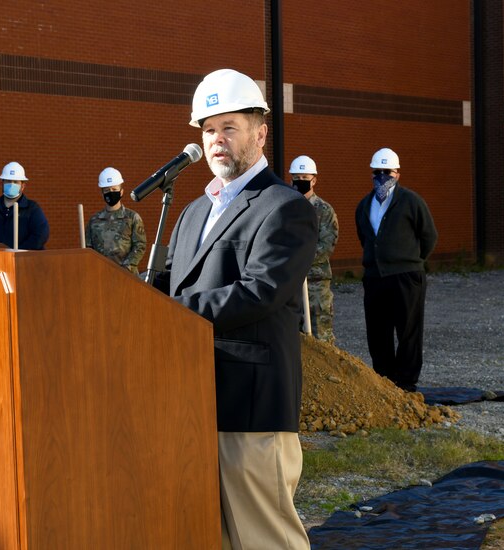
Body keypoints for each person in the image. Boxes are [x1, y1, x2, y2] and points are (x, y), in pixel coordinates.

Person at [154, 69, 318, 550]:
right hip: (192, 405)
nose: (216, 139)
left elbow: (259, 291)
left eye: (229, 126)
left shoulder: (283, 207)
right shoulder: (192, 212)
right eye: (208, 129)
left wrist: (170, 310)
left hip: (250, 410)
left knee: (266, 540)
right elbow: (168, 281)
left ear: (260, 132)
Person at [355, 148, 437, 392]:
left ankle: (406, 381)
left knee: (408, 329)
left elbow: (429, 236)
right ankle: (384, 380)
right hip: (375, 278)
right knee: (377, 331)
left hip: (406, 277)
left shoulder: (411, 201)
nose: (382, 176)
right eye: (378, 172)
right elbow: (365, 238)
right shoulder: (364, 205)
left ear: (397, 174)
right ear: (372, 174)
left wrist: (412, 261)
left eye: (387, 172)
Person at [289, 155, 339, 343]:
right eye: (297, 178)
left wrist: (298, 259)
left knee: (321, 336)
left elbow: (326, 246)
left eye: (304, 178)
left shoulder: (324, 210)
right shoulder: (287, 208)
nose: (300, 182)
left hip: (315, 282)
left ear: (314, 180)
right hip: (291, 282)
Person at [0, 161, 50, 250]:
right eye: (8, 181)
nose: (11, 185)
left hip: (22, 261)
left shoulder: (32, 209)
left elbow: (40, 235)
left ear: (23, 186)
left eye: (15, 182)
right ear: (2, 184)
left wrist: (17, 253)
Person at [85, 167, 147, 274]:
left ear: (121, 192)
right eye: (107, 190)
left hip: (127, 276)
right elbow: (89, 249)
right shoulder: (94, 220)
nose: (111, 193)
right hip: (101, 275)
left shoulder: (132, 217)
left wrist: (127, 266)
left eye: (114, 190)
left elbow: (140, 245)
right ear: (102, 194)